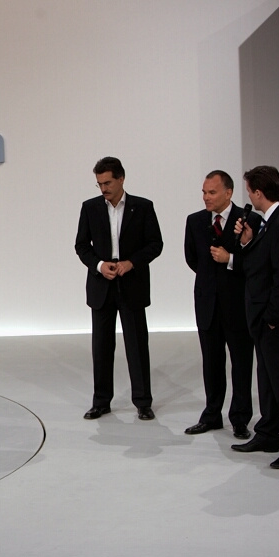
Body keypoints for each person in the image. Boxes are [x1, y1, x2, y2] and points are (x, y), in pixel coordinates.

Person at [230, 165, 279, 469]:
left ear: (259, 193)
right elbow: (259, 266)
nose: (248, 197)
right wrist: (247, 242)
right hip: (262, 318)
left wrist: (274, 318)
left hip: (273, 320)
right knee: (268, 381)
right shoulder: (268, 223)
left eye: (249, 191)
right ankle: (268, 434)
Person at [75, 157, 163, 420]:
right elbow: (81, 246)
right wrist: (100, 265)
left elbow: (155, 244)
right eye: (99, 183)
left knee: (137, 346)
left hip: (132, 284)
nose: (103, 188)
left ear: (121, 179)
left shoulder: (143, 207)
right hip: (102, 285)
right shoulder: (89, 208)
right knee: (101, 347)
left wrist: (131, 263)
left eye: (107, 182)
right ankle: (101, 402)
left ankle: (143, 402)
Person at [183, 170, 253, 439]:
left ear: (228, 193)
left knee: (241, 363)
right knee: (211, 363)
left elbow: (256, 261)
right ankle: (212, 415)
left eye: (212, 192)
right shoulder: (195, 221)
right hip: (207, 304)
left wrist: (230, 259)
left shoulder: (248, 220)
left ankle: (240, 418)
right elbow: (192, 259)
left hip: (238, 306)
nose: (206, 197)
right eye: (204, 192)